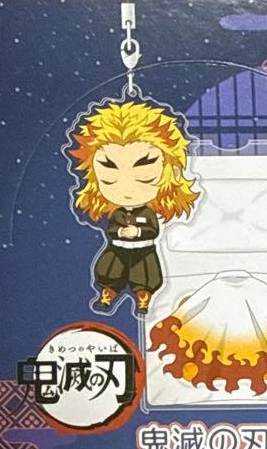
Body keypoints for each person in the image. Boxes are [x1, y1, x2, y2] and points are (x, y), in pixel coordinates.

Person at [68, 100, 199, 315]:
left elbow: (152, 230)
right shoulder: (117, 212)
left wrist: (138, 232)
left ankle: (143, 302)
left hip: (143, 252)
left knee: (144, 278)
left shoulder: (148, 213)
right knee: (110, 274)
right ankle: (107, 297)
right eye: (109, 178)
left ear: (173, 171)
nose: (127, 189)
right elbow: (110, 227)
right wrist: (120, 232)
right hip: (117, 251)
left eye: (144, 176)